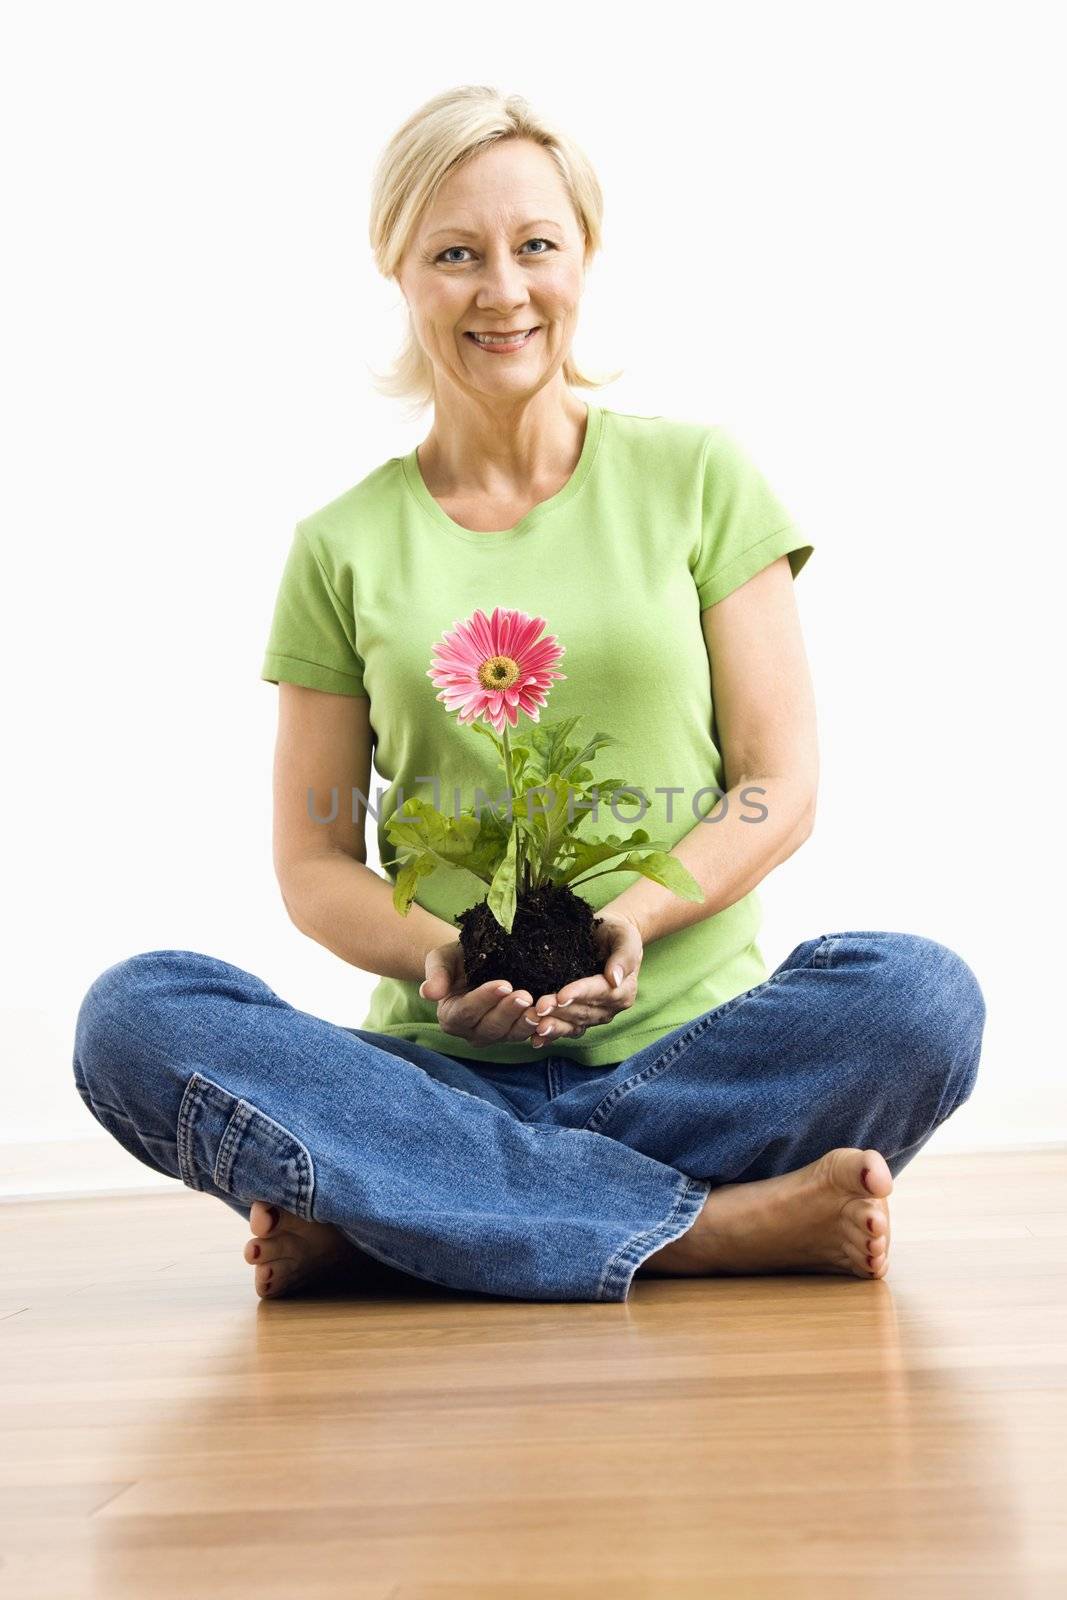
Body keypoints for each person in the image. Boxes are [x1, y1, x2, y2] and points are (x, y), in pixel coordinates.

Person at [72, 85, 986, 1304]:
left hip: (693, 1054)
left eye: (534, 246)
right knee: (132, 1016)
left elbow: (780, 782)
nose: (502, 289)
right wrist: (444, 961)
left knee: (918, 998)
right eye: (456, 254)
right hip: (438, 1070)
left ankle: (406, 1212)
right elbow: (312, 860)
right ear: (398, 270)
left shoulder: (697, 477)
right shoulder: (341, 545)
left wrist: (636, 921)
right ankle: (705, 1228)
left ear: (582, 257)